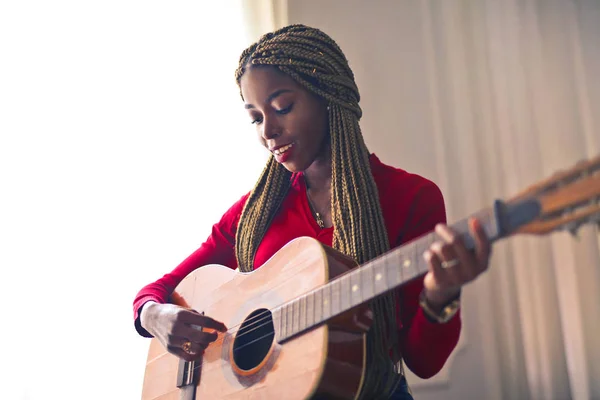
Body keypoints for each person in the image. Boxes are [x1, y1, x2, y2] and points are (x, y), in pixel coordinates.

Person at [133, 24, 491, 399]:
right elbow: (157, 291)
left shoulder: (410, 197)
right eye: (255, 117)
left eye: (282, 107)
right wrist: (154, 315)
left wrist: (441, 296)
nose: (268, 131)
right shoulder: (255, 212)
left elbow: (423, 362)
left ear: (328, 96)